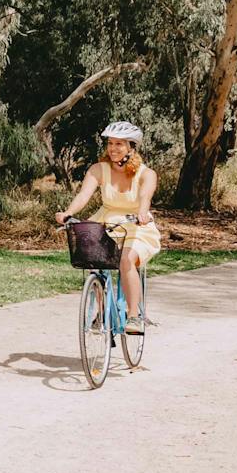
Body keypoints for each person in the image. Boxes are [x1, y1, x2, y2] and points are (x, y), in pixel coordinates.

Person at [55, 121, 161, 330]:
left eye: (119, 144)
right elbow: (84, 195)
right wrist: (68, 212)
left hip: (135, 224)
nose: (113, 148)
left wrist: (142, 212)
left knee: (126, 261)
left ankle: (133, 316)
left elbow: (145, 196)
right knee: (92, 258)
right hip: (106, 220)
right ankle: (102, 312)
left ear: (131, 147)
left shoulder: (146, 174)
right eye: (110, 143)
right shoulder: (99, 169)